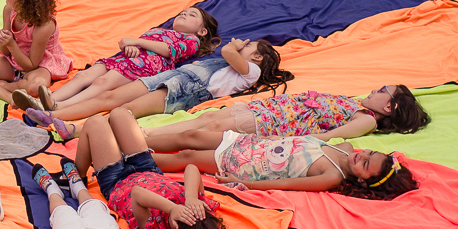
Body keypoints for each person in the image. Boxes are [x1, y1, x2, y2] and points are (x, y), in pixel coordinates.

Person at [25, 39, 291, 137]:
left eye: (249, 46)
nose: (242, 44)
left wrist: (235, 45)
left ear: (256, 57)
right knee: (110, 96)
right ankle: (55, 109)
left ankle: (73, 129)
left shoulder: (251, 71)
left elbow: (228, 51)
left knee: (125, 110)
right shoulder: (236, 62)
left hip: (186, 89)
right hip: (173, 75)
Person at [72, 111, 232, 229]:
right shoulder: (197, 208)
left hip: (116, 180)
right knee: (120, 114)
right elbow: (191, 167)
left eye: (182, 215)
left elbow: (137, 193)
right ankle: (114, 146)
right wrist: (191, 197)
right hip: (147, 168)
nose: (185, 211)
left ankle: (77, 176)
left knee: (95, 123)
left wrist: (172, 209)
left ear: (175, 228)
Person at [13, 6, 219, 113]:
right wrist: (130, 45)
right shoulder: (158, 30)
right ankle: (49, 99)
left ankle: (59, 107)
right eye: (183, 12)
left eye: (191, 15)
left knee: (102, 83)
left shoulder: (191, 40)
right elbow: (140, 43)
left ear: (202, 31)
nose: (184, 14)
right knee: (84, 76)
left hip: (144, 67)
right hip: (124, 59)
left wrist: (136, 41)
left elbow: (167, 50)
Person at [150, 128, 418, 199]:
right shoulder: (344, 148)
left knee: (186, 157)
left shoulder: (331, 175)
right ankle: (138, 137)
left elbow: (288, 183)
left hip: (246, 162)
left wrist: (246, 183)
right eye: (369, 153)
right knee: (191, 137)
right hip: (252, 143)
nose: (363, 156)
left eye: (365, 165)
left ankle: (134, 155)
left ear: (361, 181)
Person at [142, 85, 430, 146]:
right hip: (270, 109)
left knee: (214, 125)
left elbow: (330, 135)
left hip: (274, 123)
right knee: (208, 119)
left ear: (389, 107)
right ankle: (149, 134)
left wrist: (287, 139)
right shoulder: (358, 104)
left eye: (382, 91)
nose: (374, 90)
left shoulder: (366, 118)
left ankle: (149, 140)